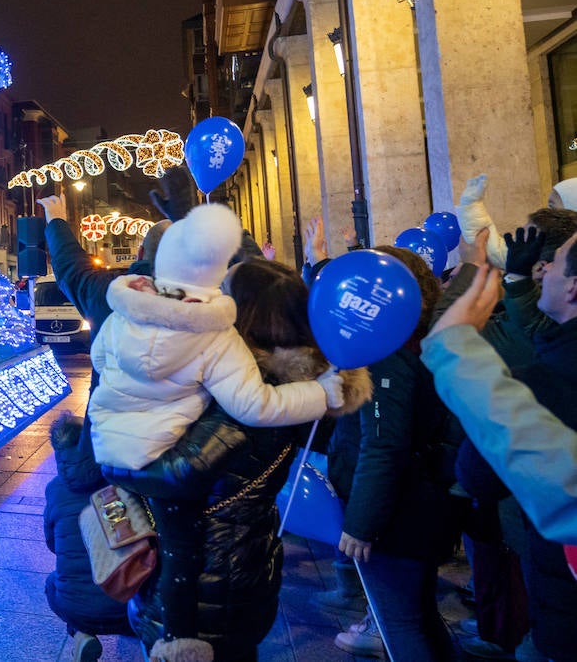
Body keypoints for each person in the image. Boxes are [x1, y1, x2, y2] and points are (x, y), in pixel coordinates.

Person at [41, 195, 341, 662]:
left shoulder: (121, 307)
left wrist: (56, 219)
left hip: (205, 595)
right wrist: (323, 392)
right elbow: (260, 391)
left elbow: (72, 270)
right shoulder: (249, 369)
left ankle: (170, 637)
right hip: (239, 580)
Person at [120, 258, 373, 662]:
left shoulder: (249, 400)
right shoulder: (297, 385)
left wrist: (109, 452)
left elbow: (173, 475)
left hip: (205, 583)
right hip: (243, 567)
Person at [332, 245, 464, 662]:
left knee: (401, 621)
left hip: (399, 512)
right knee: (420, 613)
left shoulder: (386, 356)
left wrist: (361, 524)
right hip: (423, 501)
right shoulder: (422, 340)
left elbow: (384, 444)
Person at [426, 262, 577, 545]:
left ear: (573, 286)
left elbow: (566, 488)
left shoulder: (549, 374)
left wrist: (454, 345)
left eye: (555, 259)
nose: (546, 269)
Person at [44, 411, 134, 662]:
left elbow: (51, 543)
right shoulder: (118, 477)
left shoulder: (54, 490)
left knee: (52, 584)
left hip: (77, 610)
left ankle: (82, 634)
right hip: (129, 607)